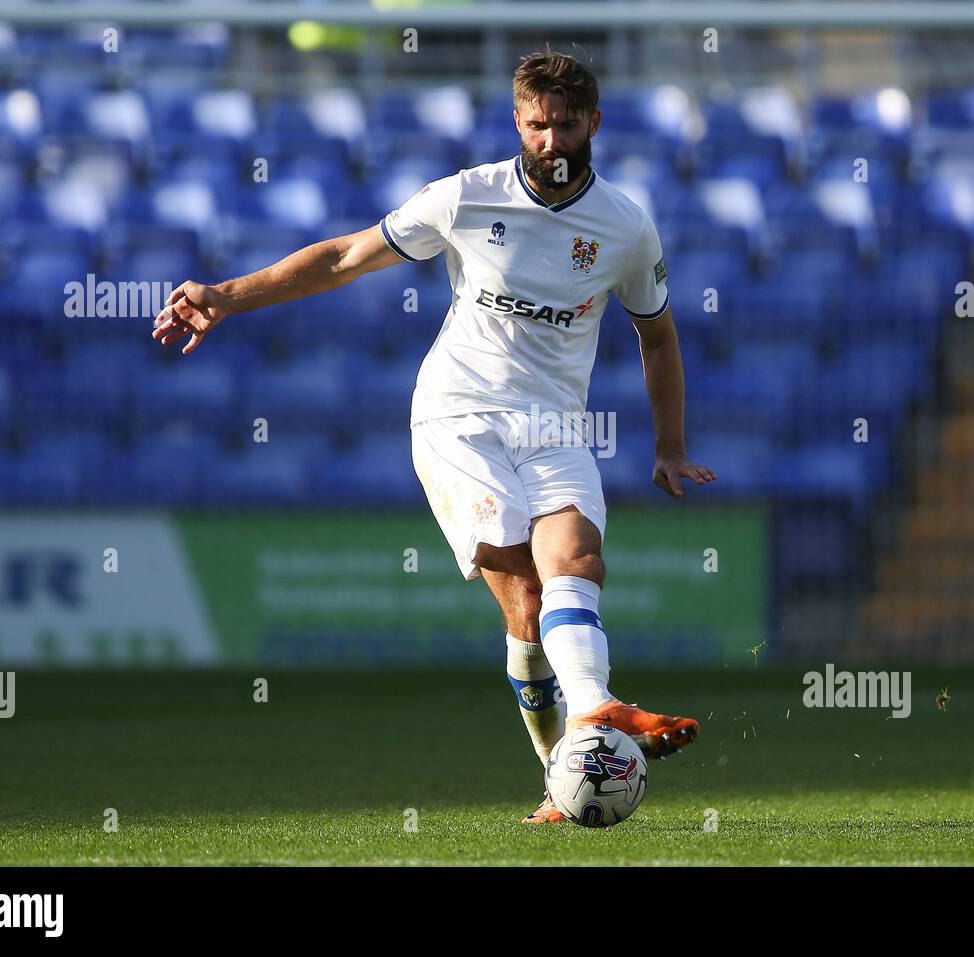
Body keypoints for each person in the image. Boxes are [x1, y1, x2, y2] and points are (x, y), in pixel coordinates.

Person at [151, 50, 717, 824]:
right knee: (522, 585)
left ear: (595, 123)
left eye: (566, 125)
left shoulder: (624, 227)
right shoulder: (465, 197)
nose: (550, 140)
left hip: (554, 424)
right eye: (537, 125)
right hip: (459, 415)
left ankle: (583, 732)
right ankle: (587, 725)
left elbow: (658, 338)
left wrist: (669, 444)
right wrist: (224, 294)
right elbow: (345, 257)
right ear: (518, 121)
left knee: (575, 564)